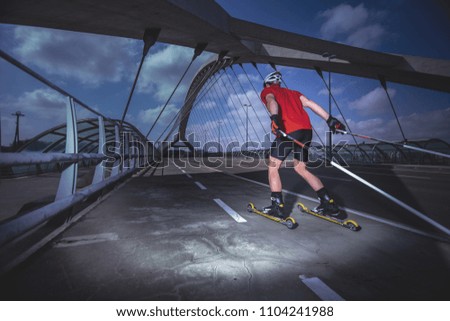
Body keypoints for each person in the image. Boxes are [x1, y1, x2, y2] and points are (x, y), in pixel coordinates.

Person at [260, 70, 346, 218]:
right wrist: (330, 119)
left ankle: (277, 207)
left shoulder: (267, 90)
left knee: (273, 167)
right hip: (306, 131)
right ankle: (328, 203)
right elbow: (310, 104)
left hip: (289, 131)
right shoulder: (294, 93)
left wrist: (274, 117)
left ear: (268, 83)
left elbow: (271, 101)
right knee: (300, 168)